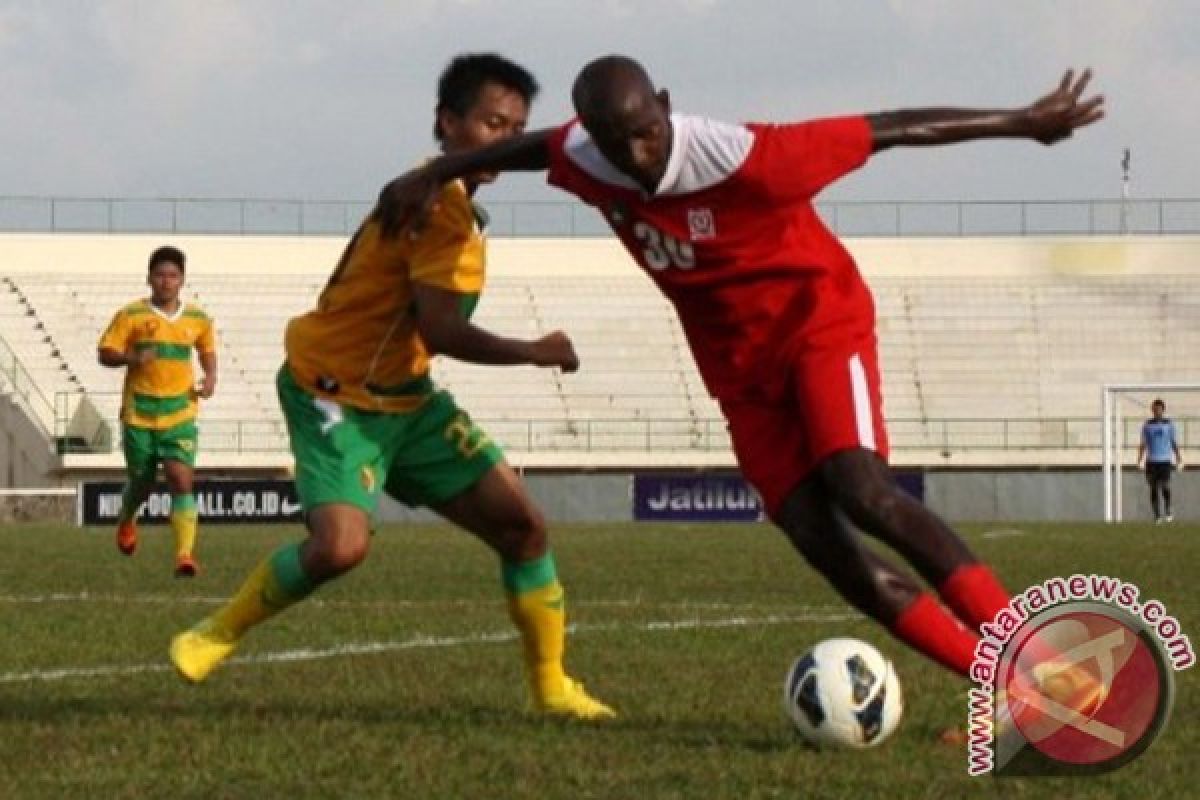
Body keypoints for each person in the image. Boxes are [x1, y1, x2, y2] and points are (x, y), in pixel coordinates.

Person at [377, 56, 1108, 709]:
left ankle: (1041, 661)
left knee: (863, 489)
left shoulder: (749, 156)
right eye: (614, 142)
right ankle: (1011, 690)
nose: (636, 156)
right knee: (825, 546)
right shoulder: (587, 155)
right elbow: (536, 147)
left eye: (647, 133)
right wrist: (435, 171)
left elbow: (891, 128)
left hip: (820, 326)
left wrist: (1024, 122)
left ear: (665, 105)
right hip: (740, 374)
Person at [169, 53, 614, 720]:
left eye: (517, 126)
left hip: (407, 400)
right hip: (335, 394)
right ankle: (216, 631)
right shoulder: (438, 207)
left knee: (523, 527)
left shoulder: (441, 194)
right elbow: (441, 330)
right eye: (493, 122)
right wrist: (535, 350)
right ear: (449, 123)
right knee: (340, 548)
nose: (508, 138)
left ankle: (552, 687)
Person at [97, 245, 217, 577]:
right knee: (142, 482)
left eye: (173, 276)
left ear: (182, 281)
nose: (167, 281)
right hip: (140, 412)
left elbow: (206, 350)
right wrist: (130, 358)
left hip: (180, 411)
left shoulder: (198, 318)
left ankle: (184, 555)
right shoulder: (131, 315)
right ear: (149, 278)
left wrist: (211, 378)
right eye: (161, 275)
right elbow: (105, 352)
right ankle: (127, 518)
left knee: (181, 479)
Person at [1138, 398, 1183, 523]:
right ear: (1152, 410)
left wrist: (1178, 458)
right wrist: (1140, 459)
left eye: (1159, 409)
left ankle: (1168, 509)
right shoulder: (1147, 425)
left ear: (1163, 410)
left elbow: (1174, 442)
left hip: (1165, 461)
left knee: (1165, 486)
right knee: (1153, 488)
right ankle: (1157, 515)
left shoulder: (1169, 424)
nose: (1157, 411)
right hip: (1151, 461)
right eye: (1155, 409)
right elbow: (1143, 443)